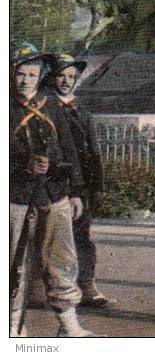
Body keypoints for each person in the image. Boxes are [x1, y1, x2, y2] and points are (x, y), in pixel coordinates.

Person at [10, 44, 96, 337]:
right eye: (20, 74)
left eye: (32, 75)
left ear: (40, 76)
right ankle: (11, 328)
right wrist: (24, 163)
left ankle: (69, 326)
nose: (26, 81)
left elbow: (69, 150)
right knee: (13, 263)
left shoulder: (50, 105)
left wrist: (75, 191)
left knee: (62, 260)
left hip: (54, 193)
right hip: (15, 196)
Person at [44, 53, 114, 309]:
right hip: (55, 179)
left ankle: (87, 284)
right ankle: (49, 287)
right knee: (51, 237)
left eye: (71, 76)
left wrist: (96, 186)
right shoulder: (45, 105)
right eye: (61, 75)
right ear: (51, 76)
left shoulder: (81, 108)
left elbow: (94, 150)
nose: (66, 81)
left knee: (82, 235)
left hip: (82, 181)